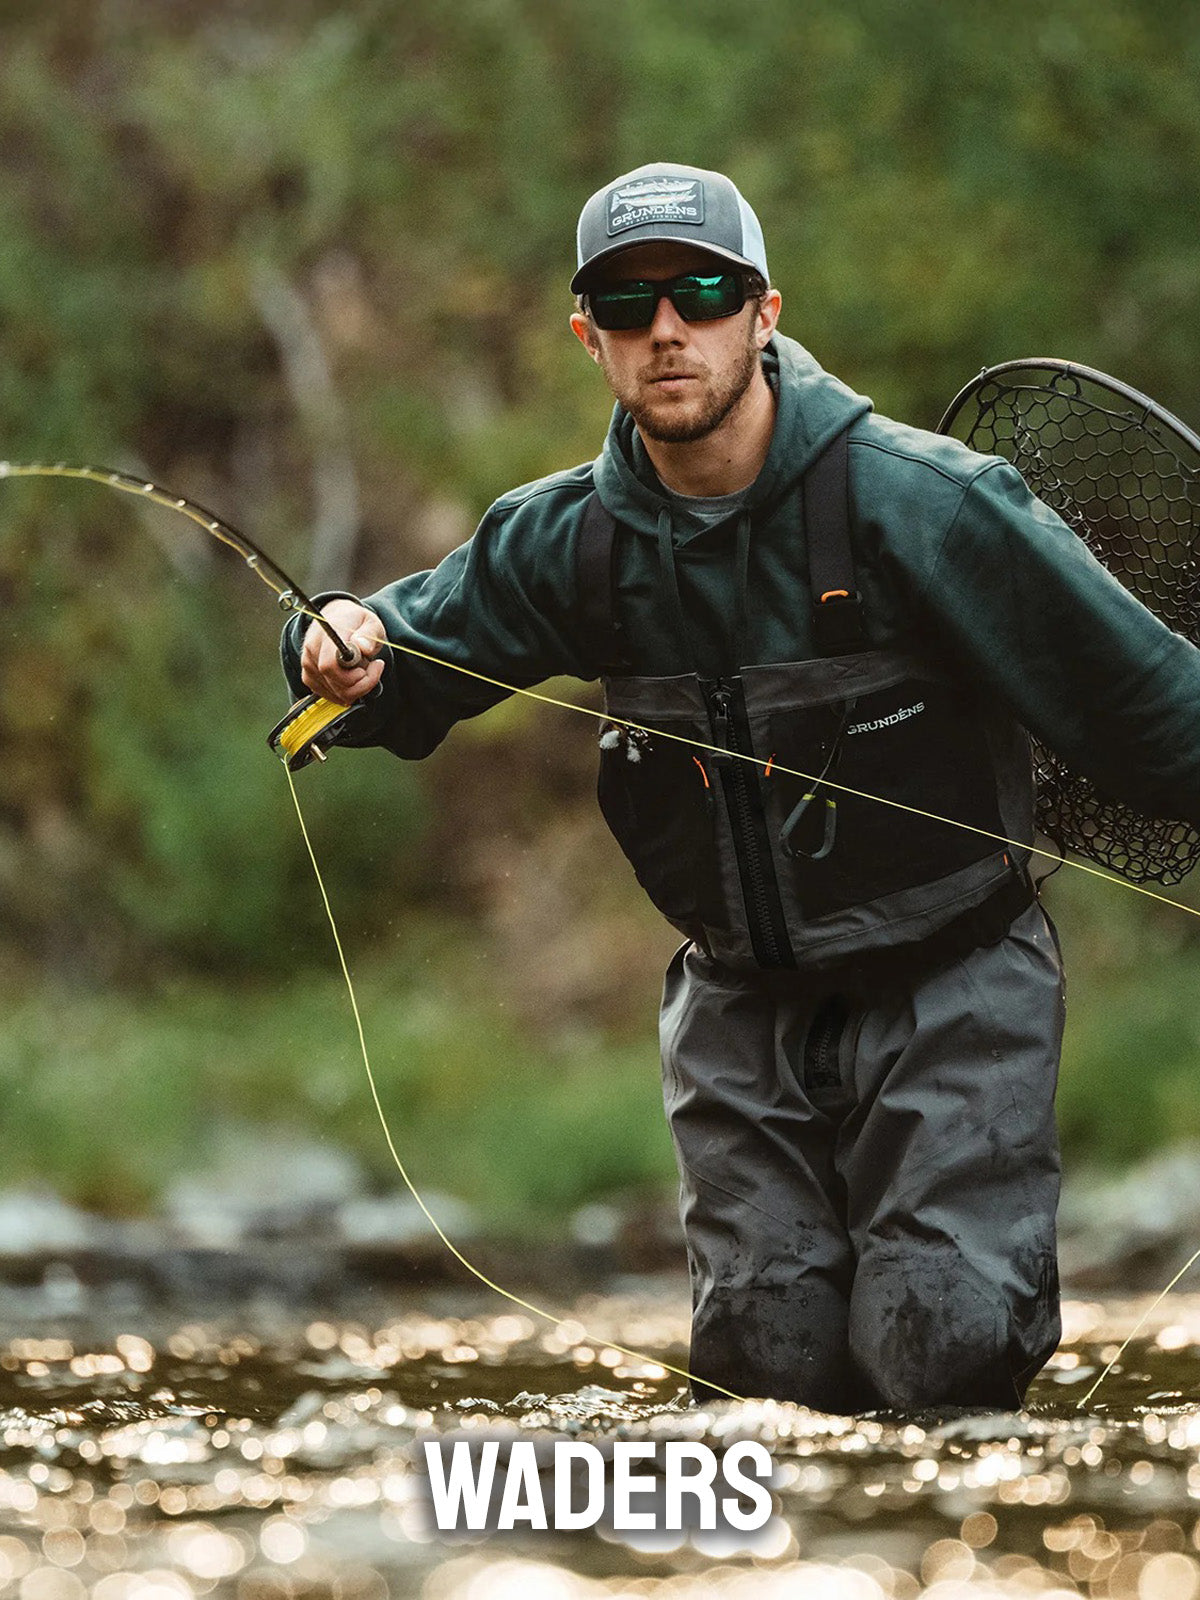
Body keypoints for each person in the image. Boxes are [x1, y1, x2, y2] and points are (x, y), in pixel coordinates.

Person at [283, 162, 1200, 1413]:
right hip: (739, 1018)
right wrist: (332, 642)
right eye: (626, 301)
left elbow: (1154, 710)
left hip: (953, 990)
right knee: (760, 1381)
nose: (667, 327)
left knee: (942, 1356)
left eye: (702, 291)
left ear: (763, 314)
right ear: (587, 337)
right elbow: (395, 659)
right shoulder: (567, 544)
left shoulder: (924, 505)